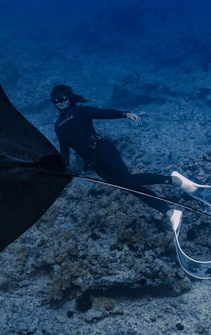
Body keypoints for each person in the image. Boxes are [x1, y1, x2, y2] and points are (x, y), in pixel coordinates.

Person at [51, 84, 189, 229]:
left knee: (128, 180)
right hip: (94, 163)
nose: (61, 102)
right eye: (56, 100)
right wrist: (65, 167)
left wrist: (125, 114)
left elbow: (103, 113)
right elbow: (64, 149)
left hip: (103, 149)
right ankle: (170, 212)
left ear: (69, 98)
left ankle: (173, 180)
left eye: (63, 98)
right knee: (130, 187)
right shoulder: (58, 126)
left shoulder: (79, 111)